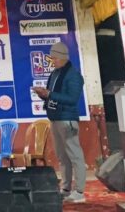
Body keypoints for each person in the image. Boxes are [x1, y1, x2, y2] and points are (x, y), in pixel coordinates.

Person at [32, 42, 86, 203]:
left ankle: (80, 191)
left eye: (55, 58)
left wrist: (50, 94)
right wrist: (43, 94)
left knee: (75, 156)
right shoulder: (55, 74)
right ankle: (66, 188)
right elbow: (51, 95)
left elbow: (72, 99)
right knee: (62, 157)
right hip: (55, 119)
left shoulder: (73, 75)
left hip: (67, 120)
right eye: (51, 58)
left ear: (63, 58)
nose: (52, 61)